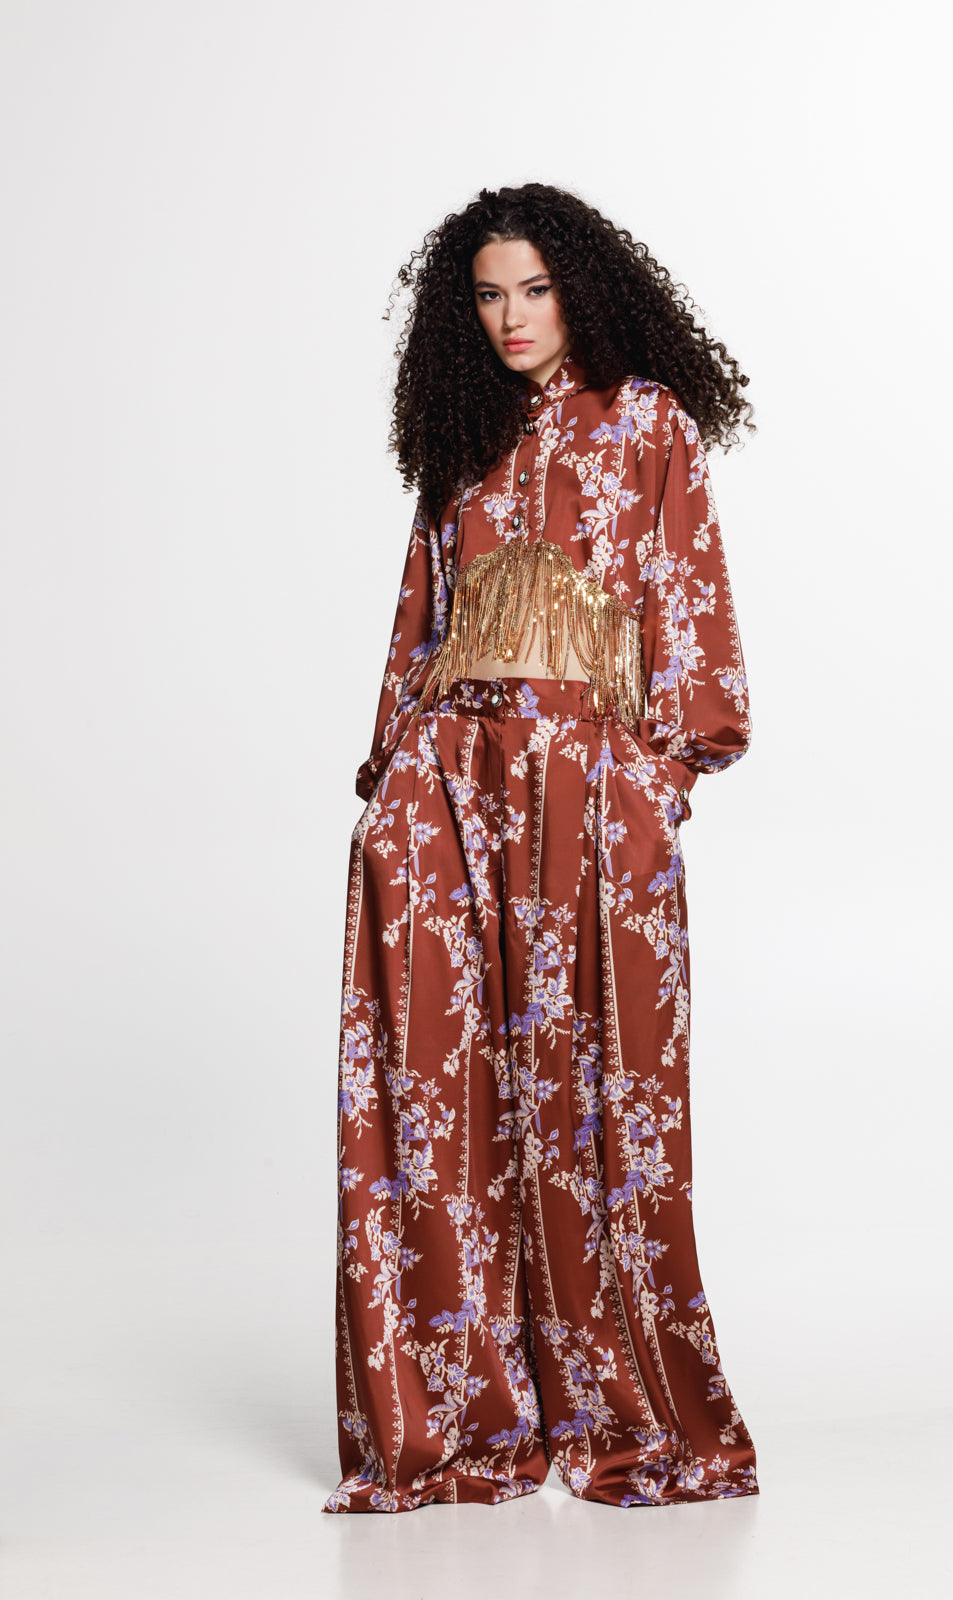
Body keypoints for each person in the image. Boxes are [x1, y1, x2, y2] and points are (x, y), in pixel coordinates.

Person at [322, 182, 759, 1513]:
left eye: (535, 289)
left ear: (581, 288)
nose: (513, 317)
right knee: (442, 1098)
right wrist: (390, 782)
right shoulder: (458, 439)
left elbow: (689, 604)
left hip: (591, 787)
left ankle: (628, 1410)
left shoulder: (649, 423)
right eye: (488, 296)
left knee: (602, 1094)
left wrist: (663, 778)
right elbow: (421, 624)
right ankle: (465, 1419)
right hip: (449, 793)